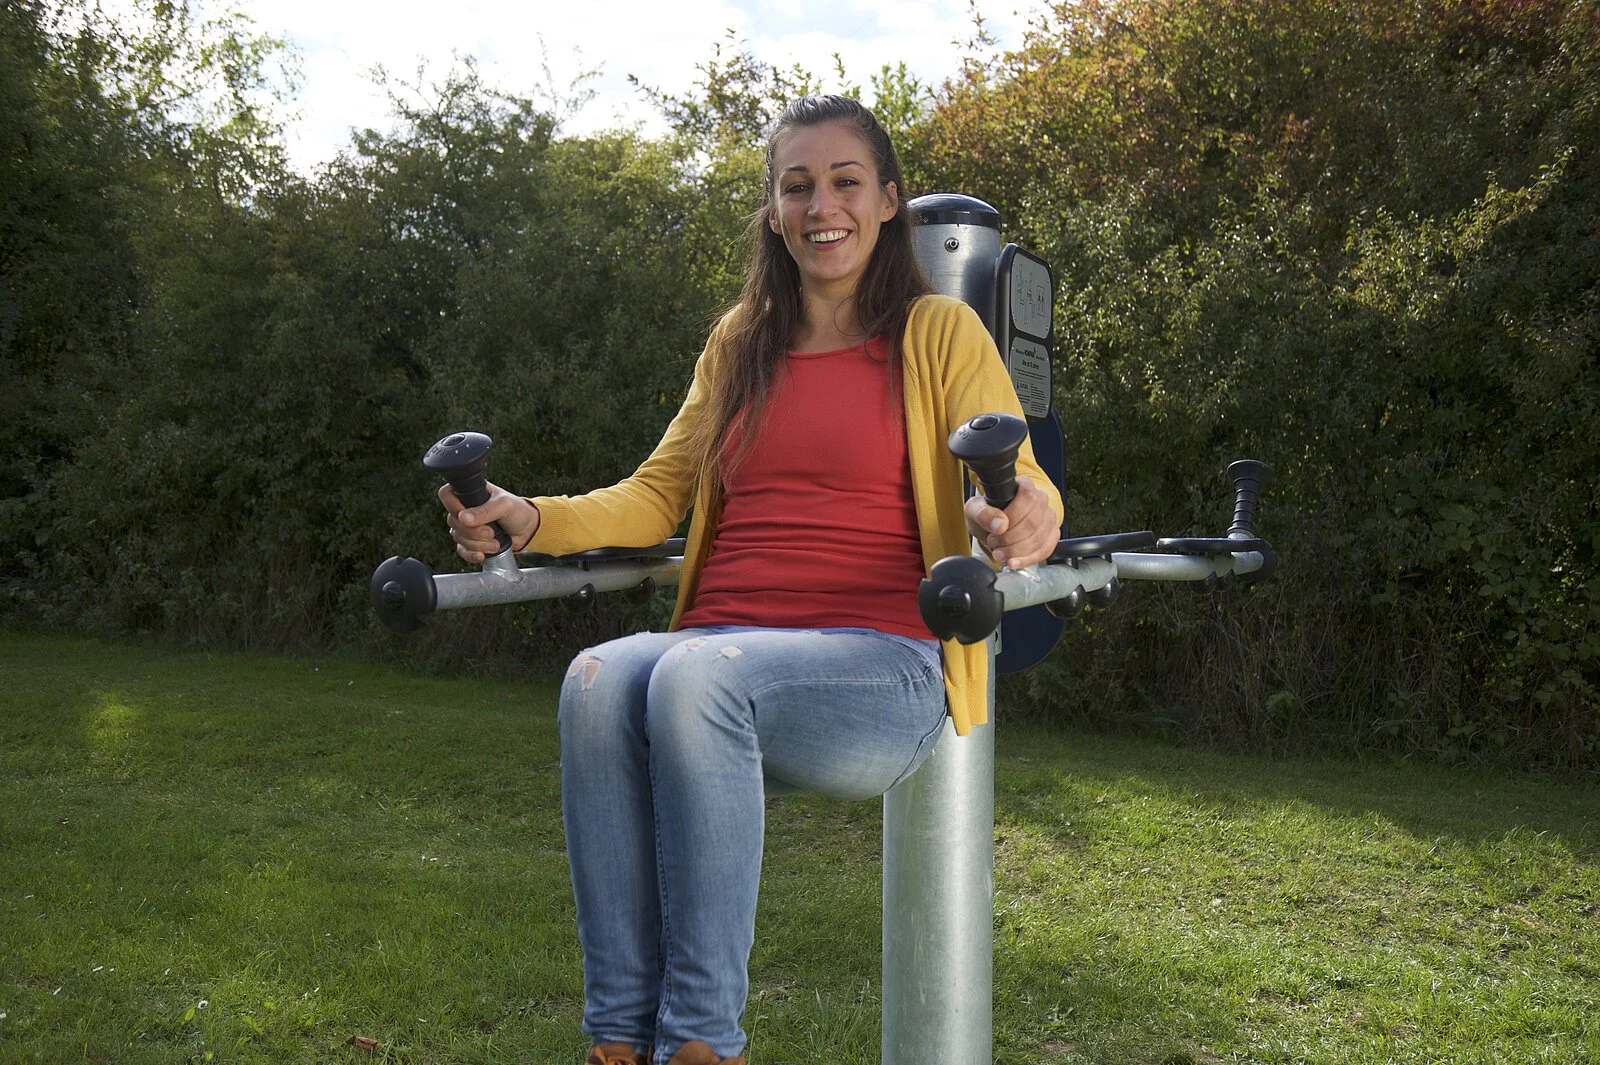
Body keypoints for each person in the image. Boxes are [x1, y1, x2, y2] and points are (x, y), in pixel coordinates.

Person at [441, 95, 1062, 1065]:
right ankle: (618, 1041)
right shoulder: (740, 343)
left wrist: (1023, 513)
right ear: (773, 212)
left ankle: (700, 1043)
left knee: (693, 674)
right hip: (720, 649)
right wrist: (528, 517)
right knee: (596, 678)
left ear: (888, 201)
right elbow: (655, 494)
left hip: (881, 662)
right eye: (797, 186)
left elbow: (1021, 478)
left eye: (846, 182)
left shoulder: (936, 331)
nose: (822, 206)